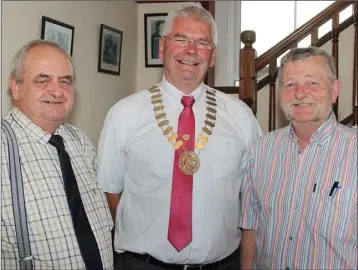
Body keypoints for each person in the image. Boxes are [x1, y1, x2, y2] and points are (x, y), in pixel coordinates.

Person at [97, 3, 262, 270]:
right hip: (144, 265)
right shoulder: (123, 114)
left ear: (213, 56)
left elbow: (253, 197)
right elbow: (110, 196)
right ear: (162, 48)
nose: (191, 50)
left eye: (202, 42)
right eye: (181, 38)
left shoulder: (241, 116)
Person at [240, 46, 357, 270]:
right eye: (291, 84)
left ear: (334, 90)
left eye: (313, 83)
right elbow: (250, 226)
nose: (300, 93)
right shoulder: (260, 150)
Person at [1, 40, 114, 269]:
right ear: (15, 87)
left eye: (65, 81)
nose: (56, 91)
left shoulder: (79, 141)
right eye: (42, 80)